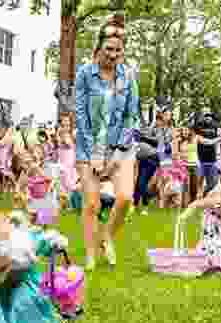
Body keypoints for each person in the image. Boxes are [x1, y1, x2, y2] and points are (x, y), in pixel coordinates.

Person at [75, 14, 140, 271]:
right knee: (92, 203)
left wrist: (118, 153)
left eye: (118, 50)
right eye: (109, 49)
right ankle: (90, 255)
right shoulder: (85, 74)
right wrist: (94, 153)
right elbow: (80, 114)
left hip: (120, 148)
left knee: (125, 198)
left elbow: (131, 116)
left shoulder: (128, 76)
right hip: (88, 147)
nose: (113, 55)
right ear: (99, 48)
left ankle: (107, 237)